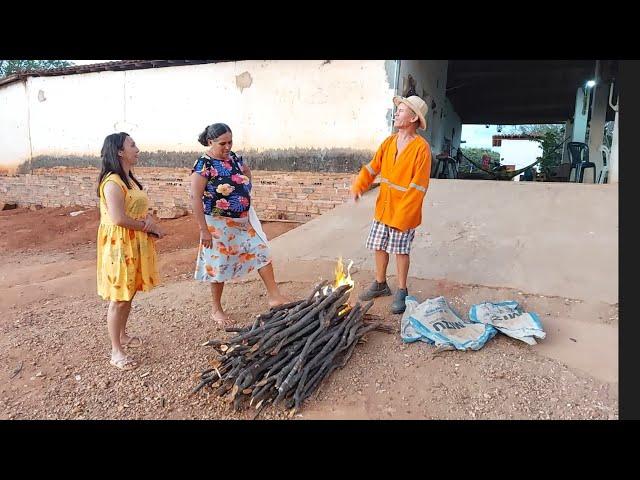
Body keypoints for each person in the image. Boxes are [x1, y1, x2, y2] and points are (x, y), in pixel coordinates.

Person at [190, 123, 289, 325]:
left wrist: (245, 189)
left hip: (243, 221)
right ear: (210, 142)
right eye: (222, 143)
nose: (228, 147)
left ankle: (274, 296)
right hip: (217, 223)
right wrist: (203, 230)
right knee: (219, 264)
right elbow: (195, 197)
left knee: (261, 250)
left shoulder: (234, 158)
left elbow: (246, 172)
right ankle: (216, 309)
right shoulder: (204, 165)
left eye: (230, 142)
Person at [351, 95, 432, 314]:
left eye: (402, 110)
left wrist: (403, 216)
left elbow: (419, 186)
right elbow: (372, 167)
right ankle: (380, 283)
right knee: (378, 244)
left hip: (404, 210)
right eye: (397, 110)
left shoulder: (421, 148)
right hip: (384, 205)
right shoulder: (388, 142)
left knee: (400, 250)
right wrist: (360, 185)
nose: (396, 113)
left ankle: (402, 289)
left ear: (414, 117)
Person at [96, 132, 165, 371]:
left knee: (129, 293)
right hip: (119, 246)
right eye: (132, 145)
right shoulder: (113, 182)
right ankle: (116, 351)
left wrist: (147, 222)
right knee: (119, 298)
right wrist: (149, 226)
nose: (137, 149)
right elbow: (117, 218)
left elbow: (133, 209)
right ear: (119, 151)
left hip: (134, 242)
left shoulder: (129, 179)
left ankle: (122, 335)